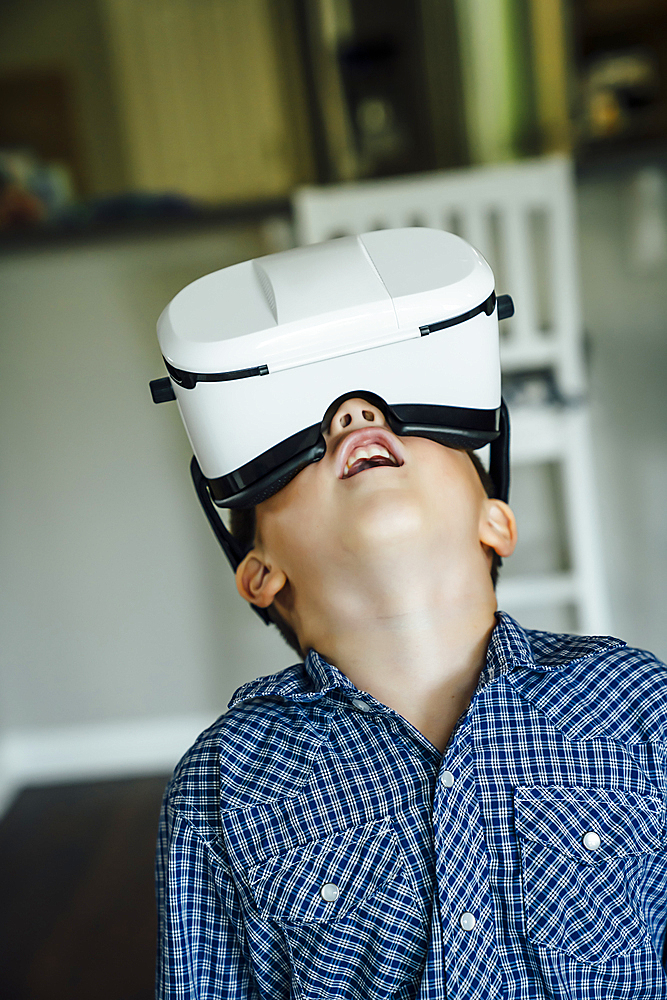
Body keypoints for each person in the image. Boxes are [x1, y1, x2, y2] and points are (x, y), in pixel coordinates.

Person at [154, 232, 667, 999]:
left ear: (494, 521)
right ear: (259, 574)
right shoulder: (224, 786)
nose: (355, 415)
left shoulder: (633, 705)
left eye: (409, 422)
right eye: (295, 451)